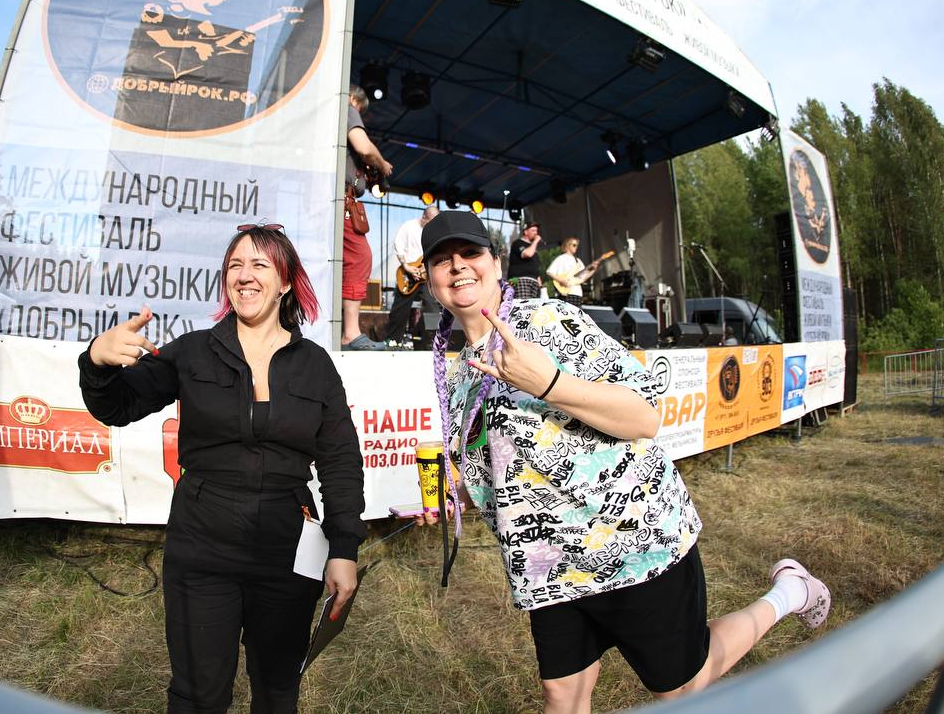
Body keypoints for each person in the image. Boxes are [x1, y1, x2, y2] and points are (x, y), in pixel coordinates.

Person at [417, 210, 831, 712]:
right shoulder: (460, 372)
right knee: (561, 695)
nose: (458, 266)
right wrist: (457, 497)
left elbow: (644, 417)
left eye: (470, 253)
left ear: (497, 264)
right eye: (442, 260)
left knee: (680, 688)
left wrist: (549, 384)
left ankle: (788, 593)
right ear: (430, 280)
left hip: (629, 541)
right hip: (549, 567)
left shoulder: (549, 322)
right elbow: (503, 471)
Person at [78, 224, 365, 713]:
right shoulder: (192, 352)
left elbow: (340, 461)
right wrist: (96, 363)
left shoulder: (315, 365)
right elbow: (118, 406)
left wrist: (343, 548)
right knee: (199, 695)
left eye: (259, 265)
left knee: (277, 691)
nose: (244, 275)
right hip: (201, 543)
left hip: (286, 546)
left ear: (286, 281)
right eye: (235, 265)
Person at [343, 85, 394, 350]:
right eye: (360, 110)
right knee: (360, 257)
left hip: (337, 199)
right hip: (342, 200)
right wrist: (382, 164)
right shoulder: (348, 107)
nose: (358, 115)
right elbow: (364, 147)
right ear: (355, 99)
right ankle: (350, 333)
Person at [385, 205, 439, 346]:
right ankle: (392, 341)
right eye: (431, 220)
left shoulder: (434, 232)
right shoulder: (408, 226)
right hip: (408, 275)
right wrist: (407, 267)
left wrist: (425, 269)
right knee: (399, 310)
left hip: (426, 276)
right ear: (424, 216)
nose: (433, 224)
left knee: (432, 307)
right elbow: (398, 245)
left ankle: (429, 341)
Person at [545, 237, 597, 308]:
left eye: (577, 245)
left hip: (577, 293)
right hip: (565, 292)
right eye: (574, 245)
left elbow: (583, 278)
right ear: (567, 245)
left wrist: (593, 270)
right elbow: (549, 272)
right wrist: (561, 280)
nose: (576, 247)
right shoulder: (561, 258)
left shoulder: (578, 261)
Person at [507, 222, 544, 299]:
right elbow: (528, 254)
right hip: (519, 279)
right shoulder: (518, 243)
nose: (536, 233)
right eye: (533, 230)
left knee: (533, 305)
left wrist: (541, 287)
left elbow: (536, 270)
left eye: (536, 231)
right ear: (526, 232)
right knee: (524, 304)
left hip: (533, 281)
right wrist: (536, 241)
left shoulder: (533, 249)